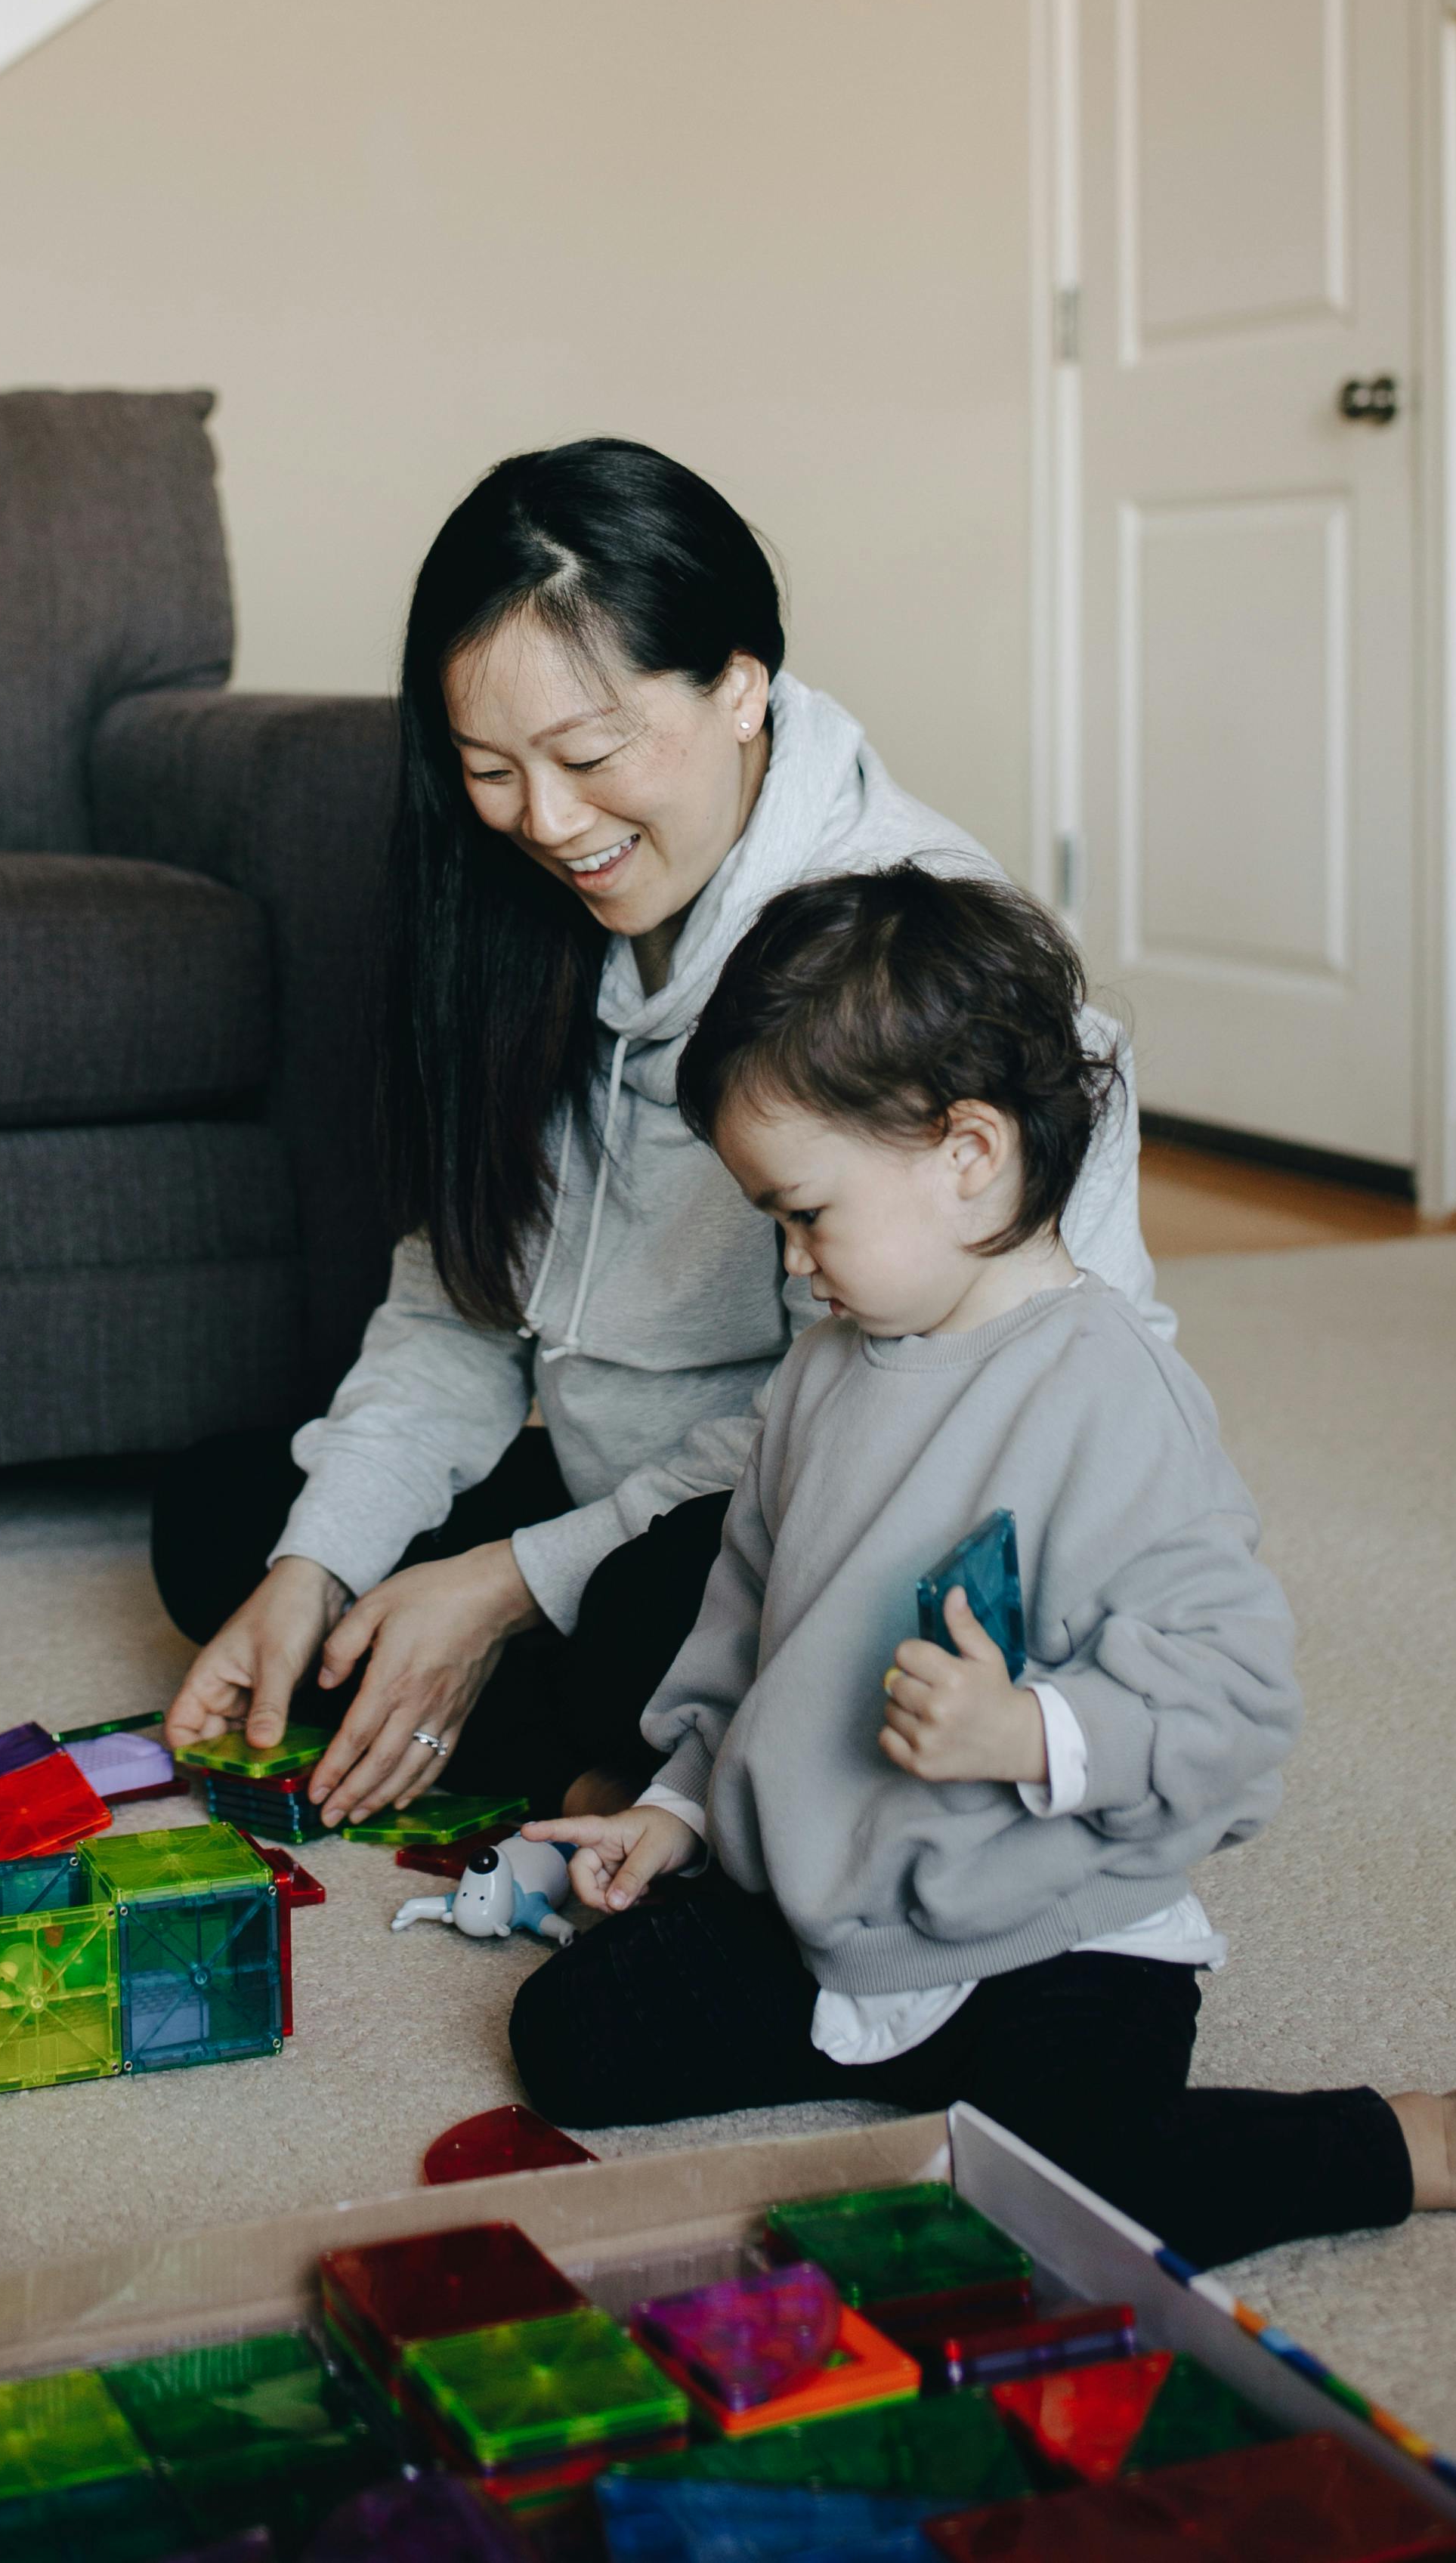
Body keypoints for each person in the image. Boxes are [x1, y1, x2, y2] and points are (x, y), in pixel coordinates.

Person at [510, 866, 1456, 2268]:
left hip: (1049, 1934)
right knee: (570, 2039)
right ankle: (901, 2062)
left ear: (967, 1153)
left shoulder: (1111, 1396)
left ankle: (1412, 2143)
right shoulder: (825, 1370)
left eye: (808, 1213)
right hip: (835, 1907)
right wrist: (679, 1806)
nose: (796, 1262)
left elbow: (1234, 1714)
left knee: (1056, 2203)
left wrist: (1030, 1730)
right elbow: (745, 1621)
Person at [156, 439, 1158, 1829]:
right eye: (488, 769)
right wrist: (317, 1568)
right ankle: (600, 1752)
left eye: (587, 754)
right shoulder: (517, 915)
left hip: (819, 1505)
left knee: (675, 1628)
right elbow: (459, 1303)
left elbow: (923, 1424)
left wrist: (511, 1582)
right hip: (607, 1486)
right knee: (231, 1526)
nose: (548, 824)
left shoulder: (910, 961)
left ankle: (642, 1771)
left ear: (743, 684)